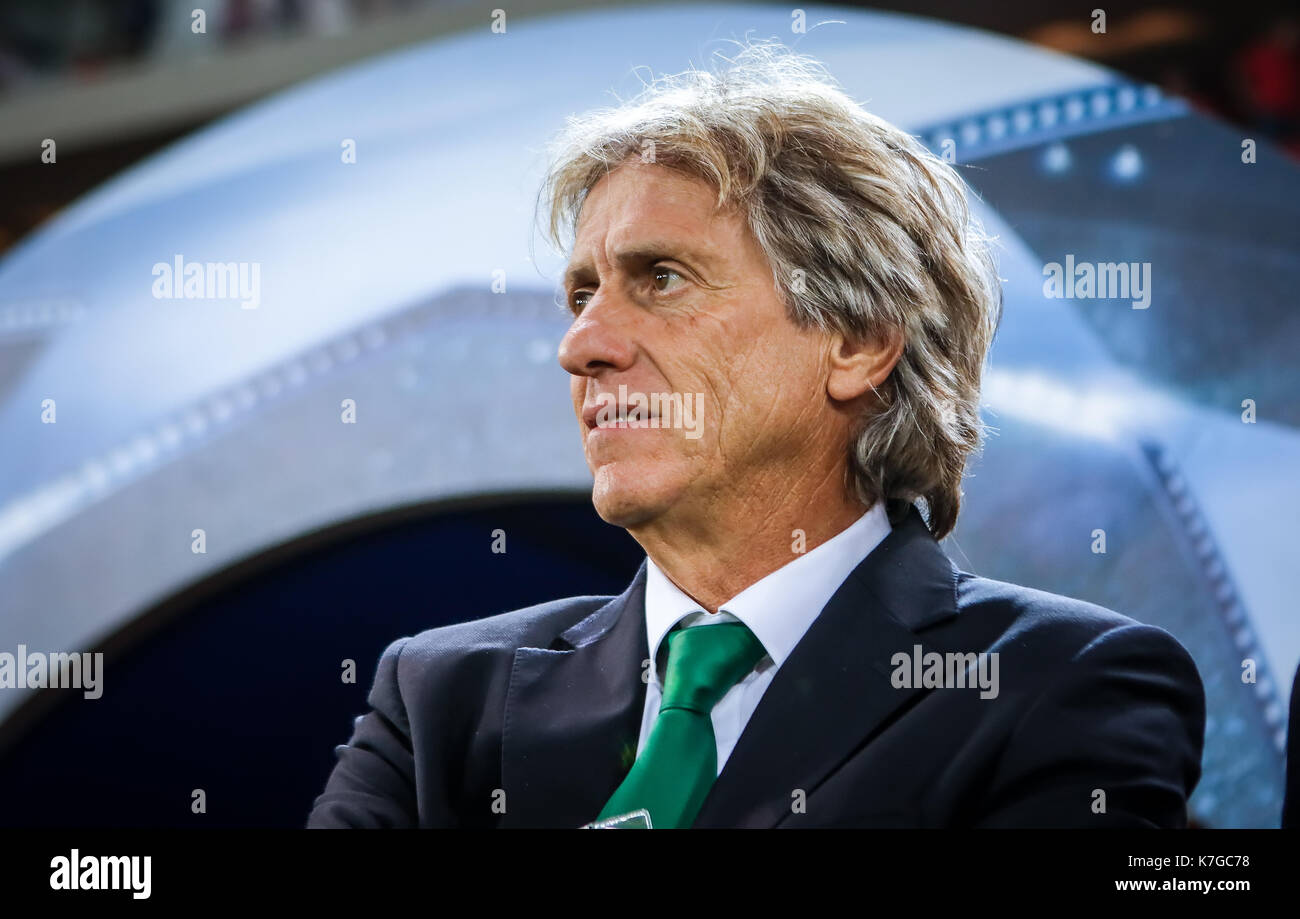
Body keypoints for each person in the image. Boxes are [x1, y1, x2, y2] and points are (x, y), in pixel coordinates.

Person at [308, 41, 1204, 829]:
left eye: (661, 279)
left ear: (856, 342)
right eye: (582, 293)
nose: (581, 344)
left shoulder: (1062, 686)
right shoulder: (439, 697)